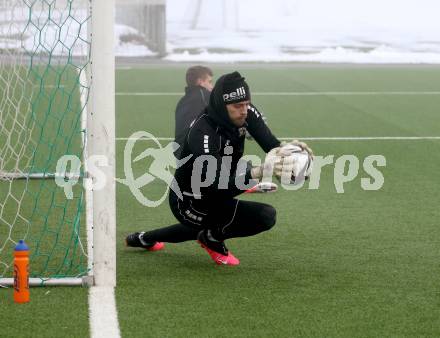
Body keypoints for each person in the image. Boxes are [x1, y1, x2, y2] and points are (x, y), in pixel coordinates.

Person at [126, 71, 313, 266]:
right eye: (237, 106)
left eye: (247, 104)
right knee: (262, 216)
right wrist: (258, 172)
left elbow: (271, 146)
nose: (244, 110)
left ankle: (145, 238)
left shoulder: (246, 112)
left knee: (230, 218)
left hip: (221, 188)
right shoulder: (202, 133)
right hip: (190, 201)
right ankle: (210, 238)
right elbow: (216, 187)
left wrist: (290, 152)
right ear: (222, 107)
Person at [174, 65, 213, 158]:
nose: (212, 86)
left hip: (180, 154)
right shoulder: (206, 96)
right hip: (196, 153)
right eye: (210, 82)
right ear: (200, 82)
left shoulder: (182, 102)